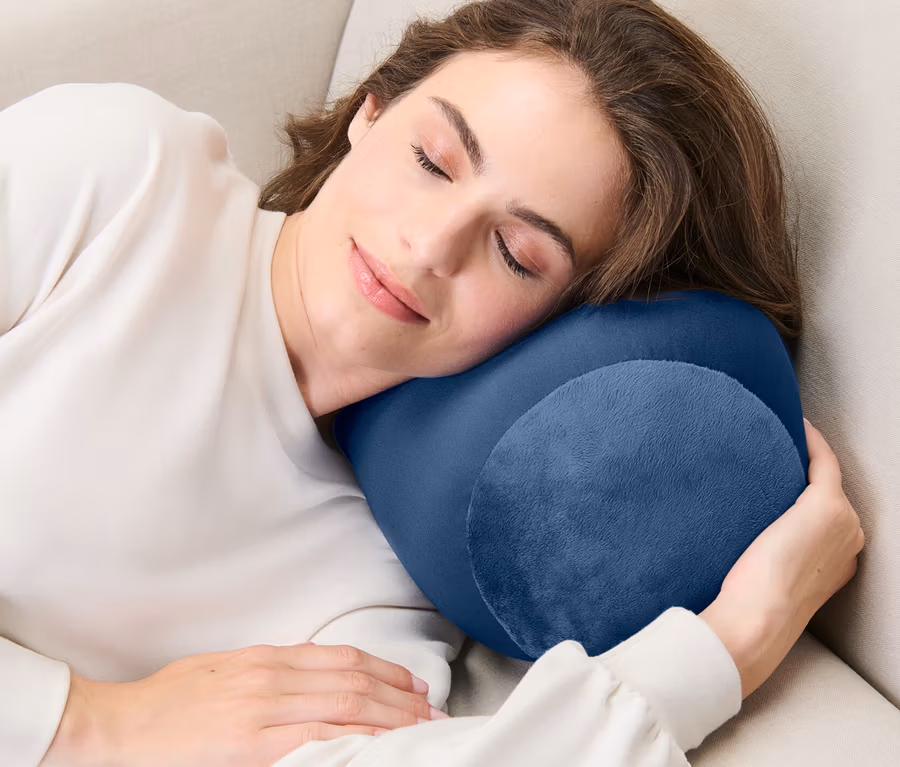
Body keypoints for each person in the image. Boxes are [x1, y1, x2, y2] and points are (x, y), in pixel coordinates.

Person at [0, 0, 864, 765]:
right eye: (433, 159)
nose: (428, 245)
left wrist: (731, 642)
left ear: (564, 327)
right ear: (370, 111)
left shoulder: (373, 584)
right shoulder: (123, 180)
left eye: (516, 253)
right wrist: (91, 720)